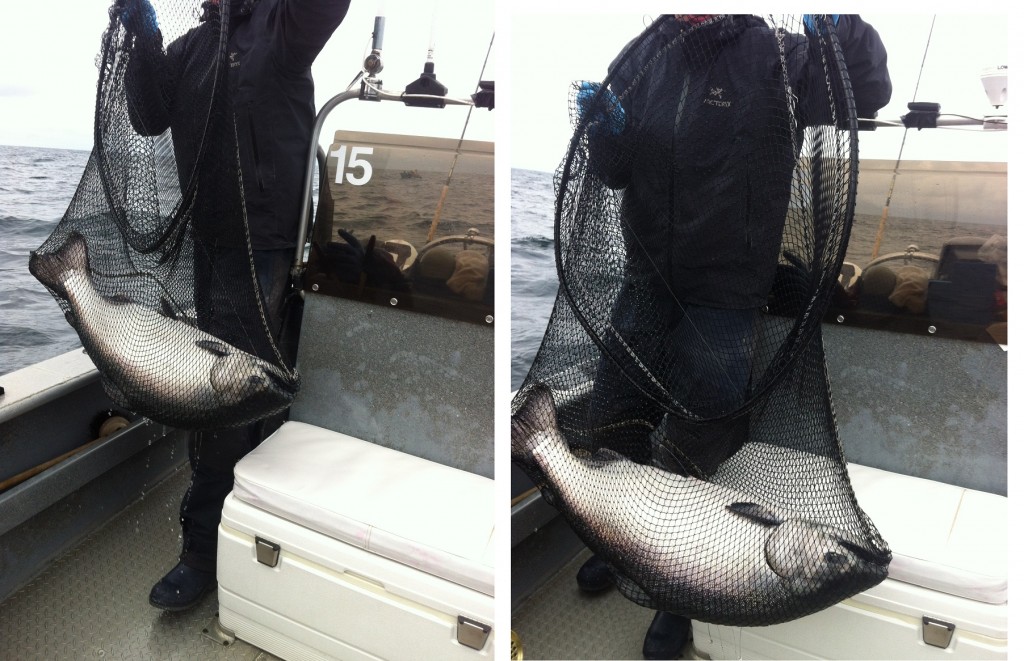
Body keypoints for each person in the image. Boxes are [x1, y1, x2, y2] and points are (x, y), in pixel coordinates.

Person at [573, 14, 891, 659]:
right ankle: (614, 539)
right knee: (613, 418)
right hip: (645, 278)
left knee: (701, 435)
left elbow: (867, 90)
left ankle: (675, 597)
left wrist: (846, 28)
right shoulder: (645, 55)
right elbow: (613, 171)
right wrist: (606, 132)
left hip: (726, 290)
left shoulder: (779, 54)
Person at [117, 0, 351, 611]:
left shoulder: (283, 26)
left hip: (266, 245)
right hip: (209, 241)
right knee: (224, 392)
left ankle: (209, 549)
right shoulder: (191, 46)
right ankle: (221, 535)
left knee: (234, 396)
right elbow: (147, 115)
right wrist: (141, 32)